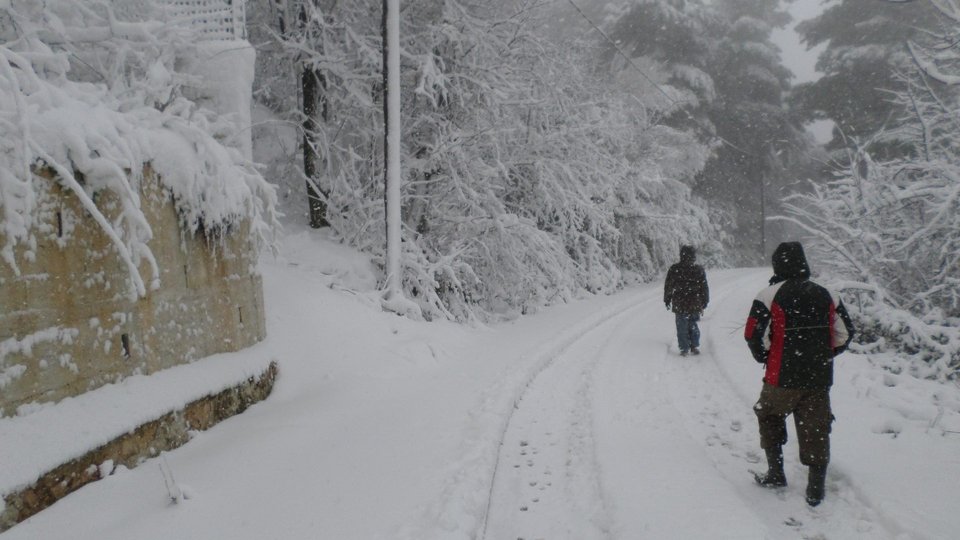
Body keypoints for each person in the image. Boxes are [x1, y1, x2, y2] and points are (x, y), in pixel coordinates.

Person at [743, 241, 855, 507]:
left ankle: (776, 473)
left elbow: (751, 333)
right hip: (818, 377)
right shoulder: (828, 294)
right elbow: (845, 334)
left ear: (778, 265)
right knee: (816, 427)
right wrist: (826, 356)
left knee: (769, 415)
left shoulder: (768, 295)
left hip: (780, 376)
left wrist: (764, 356)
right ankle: (815, 489)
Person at [664, 245, 709, 356]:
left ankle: (684, 348)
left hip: (679, 302)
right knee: (693, 323)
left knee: (681, 325)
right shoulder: (699, 270)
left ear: (681, 256)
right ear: (693, 256)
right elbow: (704, 287)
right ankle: (694, 346)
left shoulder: (674, 269)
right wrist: (705, 300)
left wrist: (667, 299)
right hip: (694, 301)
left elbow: (669, 286)